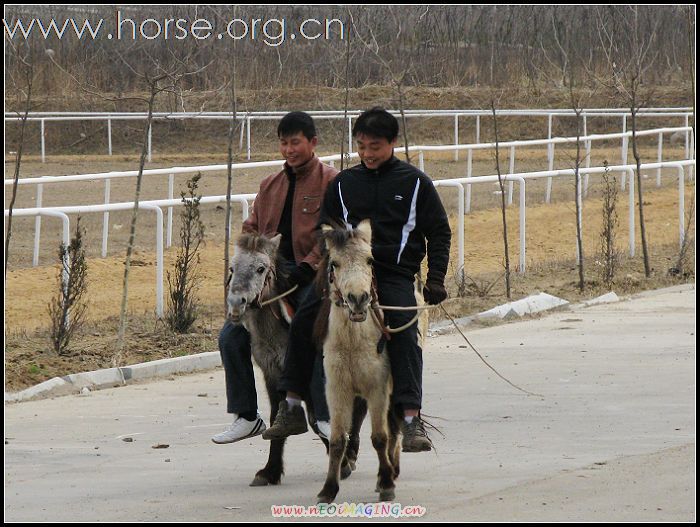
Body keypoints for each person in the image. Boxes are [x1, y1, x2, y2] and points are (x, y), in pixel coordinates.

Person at [263, 107, 451, 452]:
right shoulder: (343, 184)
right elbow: (324, 231)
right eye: (361, 146)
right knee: (305, 317)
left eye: (375, 146)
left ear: (393, 143)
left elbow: (439, 233)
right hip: (345, 271)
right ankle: (290, 404)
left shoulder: (415, 183)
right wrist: (314, 267)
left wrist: (436, 278)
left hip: (392, 273)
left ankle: (411, 417)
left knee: (405, 331)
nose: (367, 154)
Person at [212, 111, 338, 444]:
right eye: (283, 143)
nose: (288, 149)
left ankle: (323, 416)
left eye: (295, 142)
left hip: (309, 279)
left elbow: (333, 233)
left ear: (312, 142)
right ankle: (246, 415)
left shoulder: (331, 181)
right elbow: (251, 227)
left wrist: (309, 265)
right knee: (230, 337)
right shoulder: (269, 185)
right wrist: (253, 250)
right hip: (265, 278)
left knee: (306, 333)